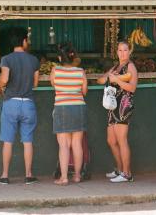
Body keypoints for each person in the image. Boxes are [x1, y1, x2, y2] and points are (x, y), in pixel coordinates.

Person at [0, 27, 40, 185]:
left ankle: (5, 175)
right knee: (27, 141)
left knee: (8, 140)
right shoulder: (34, 60)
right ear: (23, 41)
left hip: (11, 103)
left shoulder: (6, 59)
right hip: (28, 104)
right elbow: (35, 83)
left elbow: (5, 79)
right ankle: (28, 175)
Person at [97, 41, 138, 183]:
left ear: (130, 51)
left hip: (124, 104)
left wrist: (117, 80)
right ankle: (120, 170)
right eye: (120, 50)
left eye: (125, 50)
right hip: (112, 105)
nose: (122, 53)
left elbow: (132, 88)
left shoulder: (130, 66)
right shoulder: (115, 67)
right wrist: (109, 77)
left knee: (121, 140)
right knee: (111, 140)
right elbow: (100, 80)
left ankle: (127, 174)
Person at [50, 43, 88, 185]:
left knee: (64, 145)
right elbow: (84, 91)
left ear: (60, 57)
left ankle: (64, 177)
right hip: (78, 107)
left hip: (62, 107)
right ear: (73, 56)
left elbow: (54, 85)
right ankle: (77, 176)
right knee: (77, 143)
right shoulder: (80, 71)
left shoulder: (55, 70)